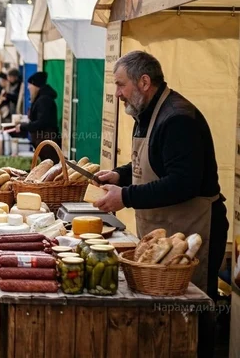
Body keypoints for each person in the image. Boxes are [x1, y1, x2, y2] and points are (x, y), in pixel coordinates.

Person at [92, 51, 228, 358]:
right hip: (166, 228)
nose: (117, 93)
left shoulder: (178, 119)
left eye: (121, 84)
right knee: (167, 317)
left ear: (144, 82)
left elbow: (182, 182)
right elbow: (153, 161)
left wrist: (125, 196)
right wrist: (120, 174)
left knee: (192, 312)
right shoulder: (146, 112)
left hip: (194, 229)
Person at [13, 72, 59, 162]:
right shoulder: (41, 98)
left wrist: (23, 126)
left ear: (35, 85)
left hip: (46, 144)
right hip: (43, 142)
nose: (28, 87)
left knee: (48, 166)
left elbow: (41, 122)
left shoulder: (44, 100)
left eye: (29, 85)